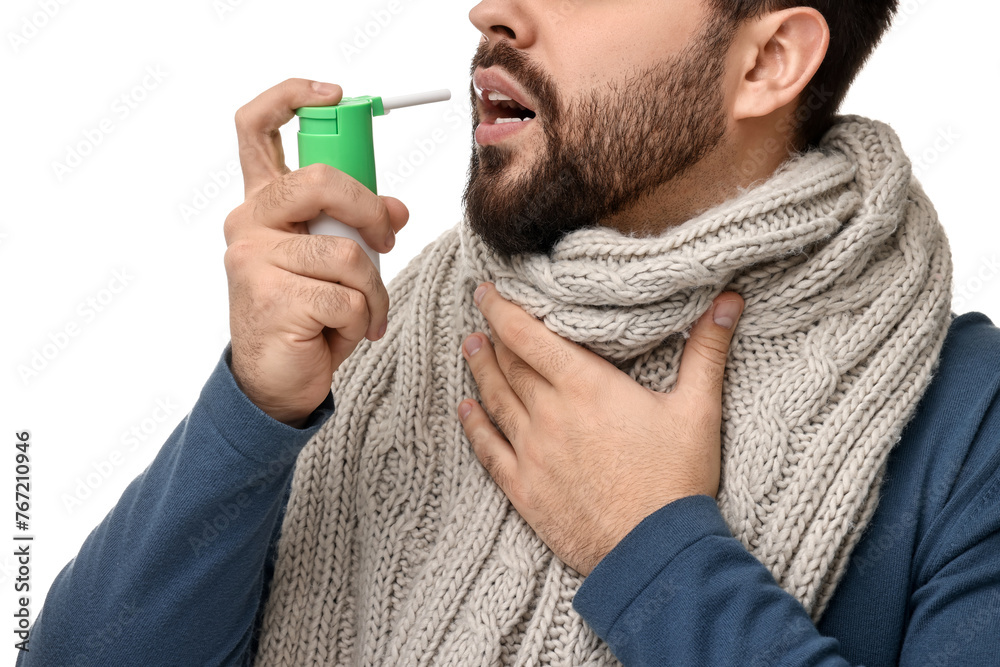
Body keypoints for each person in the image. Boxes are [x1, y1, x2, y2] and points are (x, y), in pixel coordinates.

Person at [20, 0, 1000, 665]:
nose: (492, 9)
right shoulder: (385, 329)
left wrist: (652, 545)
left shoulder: (970, 426)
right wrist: (256, 408)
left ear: (765, 61)